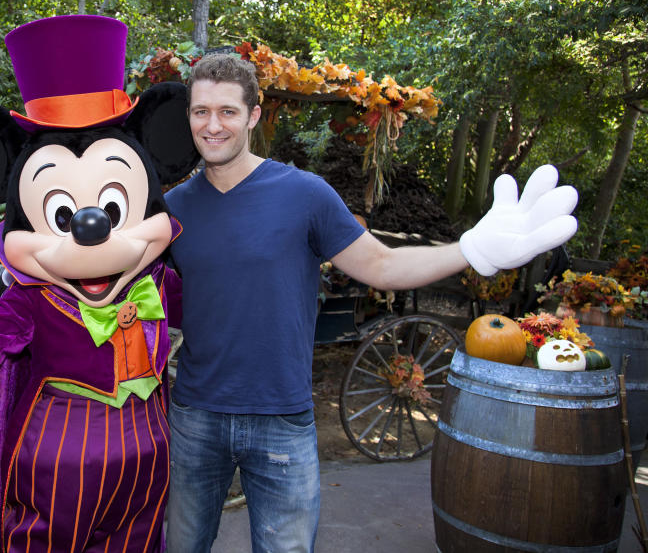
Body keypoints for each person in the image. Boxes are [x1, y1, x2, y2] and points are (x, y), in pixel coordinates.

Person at [163, 53, 578, 553]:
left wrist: (470, 249)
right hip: (194, 416)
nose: (212, 125)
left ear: (253, 115)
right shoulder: (172, 209)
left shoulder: (304, 195)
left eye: (227, 111)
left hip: (280, 419)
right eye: (200, 111)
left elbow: (380, 266)